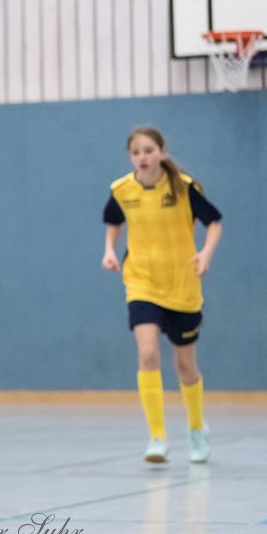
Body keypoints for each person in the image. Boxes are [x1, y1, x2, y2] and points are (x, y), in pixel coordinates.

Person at [102, 126, 222, 464]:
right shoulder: (122, 190)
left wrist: (205, 254)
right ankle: (157, 436)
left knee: (185, 365)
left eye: (149, 150)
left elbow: (214, 222)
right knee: (149, 353)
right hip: (142, 282)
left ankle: (197, 429)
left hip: (182, 285)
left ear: (162, 152)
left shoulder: (183, 188)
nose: (143, 157)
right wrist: (109, 249)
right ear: (131, 157)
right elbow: (113, 220)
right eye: (137, 152)